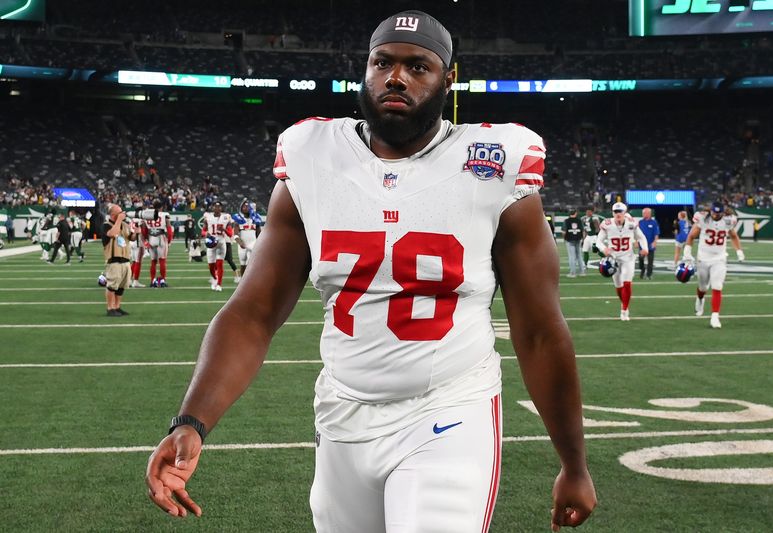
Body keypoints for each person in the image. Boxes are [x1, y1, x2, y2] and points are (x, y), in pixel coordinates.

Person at [145, 10, 595, 533]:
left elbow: (540, 332)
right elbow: (253, 310)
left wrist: (574, 464)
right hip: (342, 412)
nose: (396, 77)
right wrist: (192, 422)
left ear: (449, 80)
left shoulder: (493, 162)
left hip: (450, 409)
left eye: (418, 66)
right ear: (366, 69)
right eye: (383, 62)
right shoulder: (312, 155)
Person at [682, 201, 744, 329]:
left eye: (718, 213)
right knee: (703, 287)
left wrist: (739, 251)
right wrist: (687, 252)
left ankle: (715, 316)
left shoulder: (729, 220)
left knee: (717, 286)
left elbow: (733, 236)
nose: (715, 215)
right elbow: (691, 236)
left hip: (719, 258)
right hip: (703, 258)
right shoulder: (703, 218)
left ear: (722, 212)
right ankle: (700, 299)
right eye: (714, 212)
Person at [596, 202, 648, 321]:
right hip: (614, 260)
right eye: (616, 212)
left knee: (627, 282)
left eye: (620, 212)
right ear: (613, 213)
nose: (618, 214)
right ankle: (624, 303)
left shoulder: (631, 223)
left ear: (625, 213)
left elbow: (641, 237)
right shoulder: (607, 225)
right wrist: (604, 249)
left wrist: (644, 248)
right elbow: (599, 241)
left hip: (628, 258)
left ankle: (624, 310)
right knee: (618, 286)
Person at [101, 204, 135, 316]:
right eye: (119, 212)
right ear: (113, 214)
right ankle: (110, 308)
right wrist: (119, 220)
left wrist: (137, 231)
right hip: (113, 259)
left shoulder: (124, 225)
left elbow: (131, 238)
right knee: (112, 285)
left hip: (125, 259)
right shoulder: (106, 225)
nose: (122, 214)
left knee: (121, 286)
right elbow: (113, 233)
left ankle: (117, 306)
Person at [201, 201, 233, 291]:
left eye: (219, 207)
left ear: (221, 208)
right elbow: (203, 231)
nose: (217, 208)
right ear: (213, 208)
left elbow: (230, 234)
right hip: (211, 242)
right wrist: (206, 233)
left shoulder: (226, 218)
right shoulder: (208, 217)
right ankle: (214, 279)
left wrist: (224, 229)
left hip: (221, 242)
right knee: (211, 265)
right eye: (215, 206)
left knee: (220, 264)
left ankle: (219, 284)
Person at [141, 199, 172, 287]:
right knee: (162, 260)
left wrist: (146, 240)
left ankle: (152, 281)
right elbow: (169, 230)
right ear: (161, 207)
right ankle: (162, 281)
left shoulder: (147, 215)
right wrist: (169, 240)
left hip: (151, 238)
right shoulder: (164, 215)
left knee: (153, 261)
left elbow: (144, 230)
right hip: (160, 237)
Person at [232, 199, 263, 282]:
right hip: (243, 243)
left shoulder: (255, 218)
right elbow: (235, 234)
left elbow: (259, 233)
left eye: (247, 206)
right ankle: (243, 281)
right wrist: (239, 241)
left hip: (253, 243)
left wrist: (260, 243)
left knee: (251, 263)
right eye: (244, 206)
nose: (245, 207)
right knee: (243, 263)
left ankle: (251, 280)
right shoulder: (238, 219)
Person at [562, 208, 585, 277]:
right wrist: (583, 239)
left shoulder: (566, 221)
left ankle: (573, 273)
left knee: (572, 256)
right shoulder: (579, 220)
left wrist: (564, 238)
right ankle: (582, 272)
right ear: (576, 213)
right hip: (578, 239)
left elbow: (564, 232)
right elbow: (583, 231)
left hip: (570, 240)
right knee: (579, 256)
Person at [637, 207, 659, 279]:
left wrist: (655, 242)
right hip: (642, 245)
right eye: (644, 213)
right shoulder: (640, 222)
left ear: (650, 214)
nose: (645, 214)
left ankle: (649, 274)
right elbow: (636, 233)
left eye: (646, 213)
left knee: (650, 261)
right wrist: (636, 241)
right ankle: (642, 270)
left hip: (650, 244)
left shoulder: (654, 222)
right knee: (641, 259)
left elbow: (656, 233)